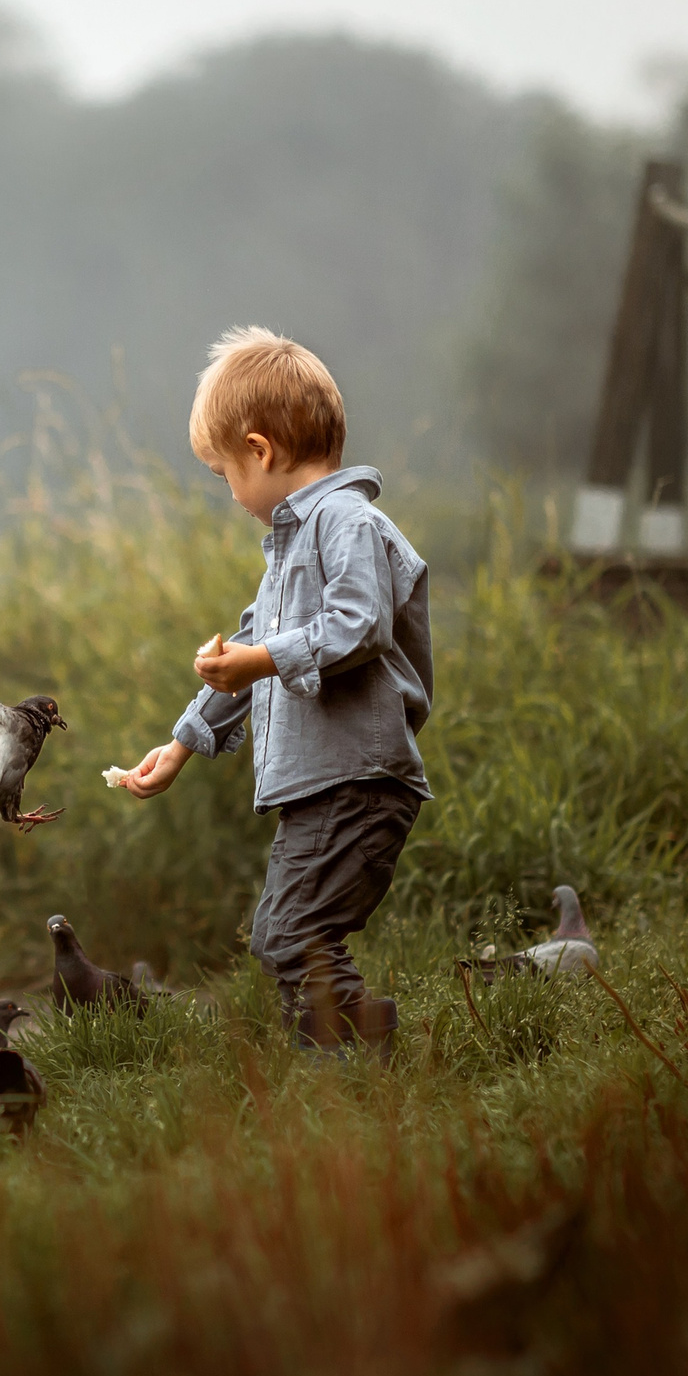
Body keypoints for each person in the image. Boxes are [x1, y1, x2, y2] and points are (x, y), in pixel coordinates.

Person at [117, 326, 431, 1058]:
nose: (229, 493)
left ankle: (354, 1059)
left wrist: (260, 660)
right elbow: (254, 648)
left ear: (259, 451)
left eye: (223, 472)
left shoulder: (348, 523)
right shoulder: (293, 549)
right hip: (324, 785)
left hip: (356, 782)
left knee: (294, 934)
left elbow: (360, 626)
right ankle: (347, 1055)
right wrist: (182, 744)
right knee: (280, 936)